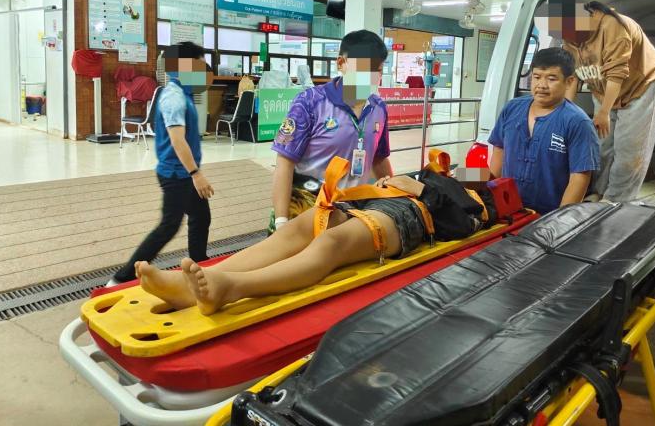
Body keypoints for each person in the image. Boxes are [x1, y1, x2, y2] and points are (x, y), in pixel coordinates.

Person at [134, 152, 506, 315]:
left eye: (478, 172)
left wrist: (423, 189)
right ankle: (192, 286)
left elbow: (462, 226)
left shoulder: (478, 199)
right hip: (373, 202)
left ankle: (231, 287)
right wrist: (399, 182)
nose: (468, 172)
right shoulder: (441, 173)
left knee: (332, 242)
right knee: (306, 223)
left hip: (410, 218)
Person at [109, 42, 215, 285]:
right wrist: (196, 174)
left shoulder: (184, 93)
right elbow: (177, 140)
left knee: (201, 217)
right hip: (177, 174)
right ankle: (121, 278)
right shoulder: (174, 97)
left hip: (184, 172)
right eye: (199, 65)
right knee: (169, 226)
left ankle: (199, 264)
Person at [267, 30, 394, 234]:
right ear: (341, 63)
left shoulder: (378, 108)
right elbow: (284, 161)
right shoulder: (309, 102)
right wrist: (281, 222)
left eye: (376, 69)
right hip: (307, 208)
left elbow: (379, 158)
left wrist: (396, 193)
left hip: (352, 211)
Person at [556, 0, 655, 202]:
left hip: (639, 86)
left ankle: (616, 200)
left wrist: (604, 112)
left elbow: (616, 73)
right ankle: (597, 192)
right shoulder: (569, 38)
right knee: (600, 146)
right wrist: (564, 111)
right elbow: (573, 76)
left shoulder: (613, 26)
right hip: (602, 89)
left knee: (628, 150)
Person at [488, 47, 600, 214]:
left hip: (548, 216)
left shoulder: (578, 122)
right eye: (537, 77)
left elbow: (579, 178)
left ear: (569, 82)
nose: (541, 85)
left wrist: (559, 221)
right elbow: (498, 156)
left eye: (551, 78)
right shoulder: (512, 109)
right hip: (509, 211)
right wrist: (488, 197)